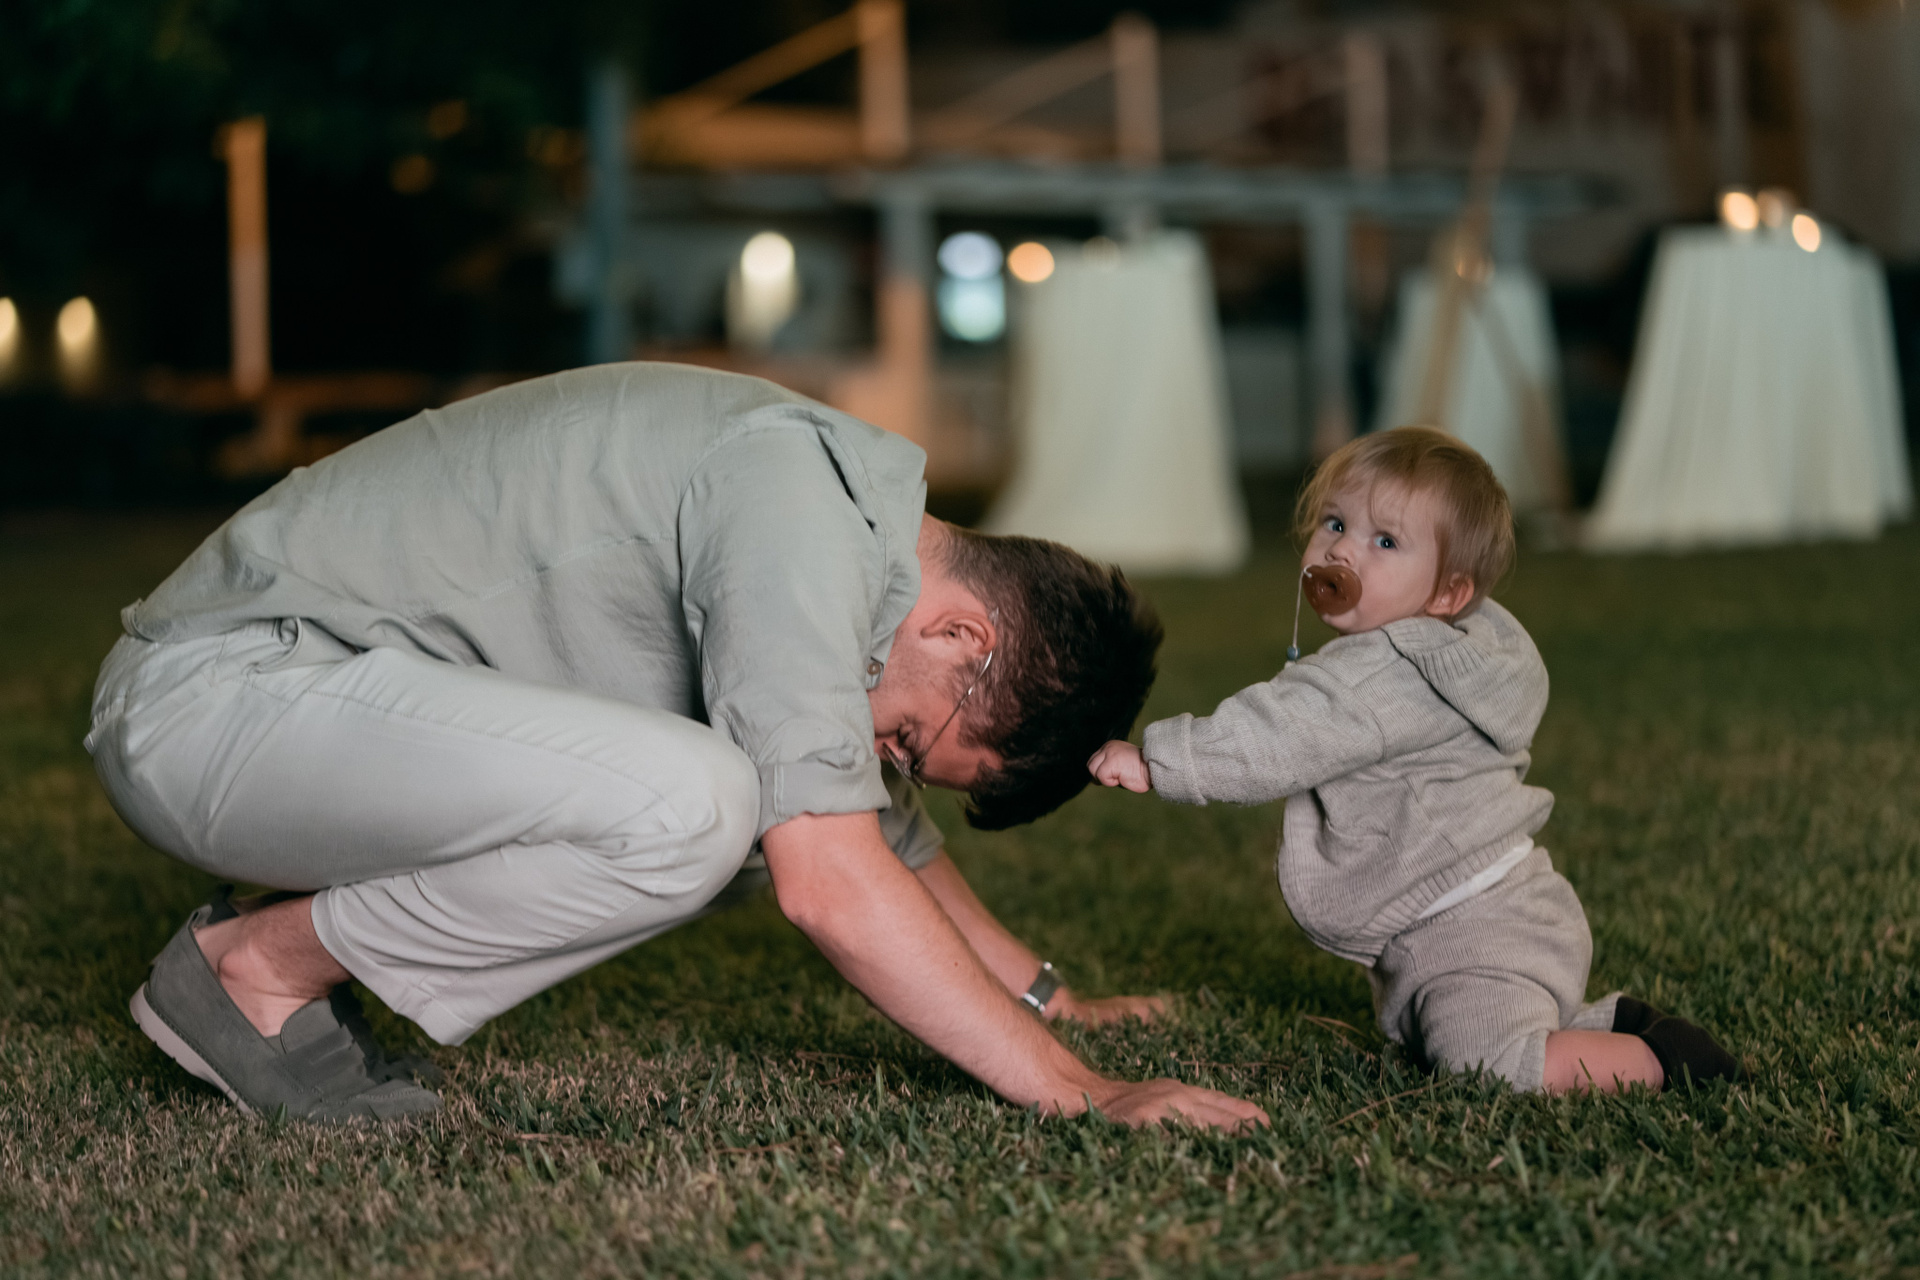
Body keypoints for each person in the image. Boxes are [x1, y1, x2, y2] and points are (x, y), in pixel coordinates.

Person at [86, 362, 1268, 1130]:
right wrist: (1081, 1091)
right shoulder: (797, 512)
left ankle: (269, 960)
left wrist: (1053, 999)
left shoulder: (841, 515)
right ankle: (256, 972)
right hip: (218, 699)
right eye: (911, 736)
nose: (881, 751)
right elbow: (833, 876)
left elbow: (885, 831)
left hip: (282, 703)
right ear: (963, 634)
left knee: (737, 789)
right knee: (702, 804)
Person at [1089, 426, 1739, 1094]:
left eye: (1385, 542)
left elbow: (1279, 735)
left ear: (1448, 594)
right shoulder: (1455, 649)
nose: (1343, 549)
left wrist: (1160, 761)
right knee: (1451, 1034)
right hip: (1486, 913)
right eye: (1335, 523)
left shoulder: (1382, 676)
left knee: (1485, 1064)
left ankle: (1665, 1061)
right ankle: (1612, 1022)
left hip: (1481, 927)